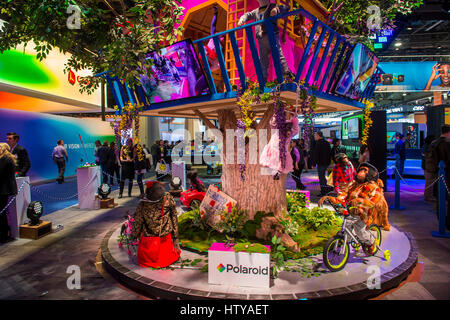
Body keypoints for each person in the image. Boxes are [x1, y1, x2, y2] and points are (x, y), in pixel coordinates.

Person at [318, 162, 388, 252]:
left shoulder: (373, 187)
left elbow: (372, 202)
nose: (361, 172)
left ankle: (371, 242)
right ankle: (345, 240)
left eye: (364, 170)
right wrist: (330, 198)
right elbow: (344, 195)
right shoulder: (354, 184)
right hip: (350, 211)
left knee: (360, 231)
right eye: (361, 169)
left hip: (363, 215)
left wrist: (359, 201)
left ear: (370, 173)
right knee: (346, 228)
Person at [237, 0, 291, 82]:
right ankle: (263, 80)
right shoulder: (256, 11)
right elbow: (248, 15)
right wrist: (242, 18)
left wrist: (276, 10)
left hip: (272, 36)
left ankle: (287, 74)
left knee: (279, 56)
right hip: (261, 39)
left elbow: (286, 8)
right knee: (263, 60)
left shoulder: (272, 6)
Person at [131, 181, 180, 268]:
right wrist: (175, 236)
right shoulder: (167, 198)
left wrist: (134, 235)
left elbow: (138, 222)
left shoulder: (142, 203)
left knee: (146, 258)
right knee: (167, 257)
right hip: (165, 239)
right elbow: (174, 217)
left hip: (149, 243)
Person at [260, 110, 299, 180]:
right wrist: (276, 115)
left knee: (280, 165)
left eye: (289, 129)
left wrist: (295, 118)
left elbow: (295, 129)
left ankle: (277, 173)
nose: (288, 132)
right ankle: (276, 173)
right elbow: (273, 124)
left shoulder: (288, 133)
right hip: (275, 151)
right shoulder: (277, 130)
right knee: (274, 164)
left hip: (281, 153)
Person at [430, 125, 450, 229]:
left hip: (437, 174)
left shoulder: (434, 143)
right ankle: (447, 223)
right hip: (447, 175)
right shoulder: (447, 144)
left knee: (440, 198)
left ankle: (441, 219)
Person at [0, 143, 18, 243]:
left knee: (2, 213)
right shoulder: (6, 158)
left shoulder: (5, 159)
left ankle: (4, 234)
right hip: (4, 189)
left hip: (4, 190)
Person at [313, 131, 332, 196]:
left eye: (315, 135)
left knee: (321, 177)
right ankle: (326, 189)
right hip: (326, 163)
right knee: (323, 177)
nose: (315, 137)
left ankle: (324, 191)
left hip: (320, 163)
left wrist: (315, 163)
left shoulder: (318, 143)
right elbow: (330, 153)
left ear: (318, 135)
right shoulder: (327, 143)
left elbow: (316, 154)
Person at [422, 134, 437, 202]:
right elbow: (425, 155)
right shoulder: (427, 146)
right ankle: (428, 196)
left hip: (427, 166)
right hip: (428, 167)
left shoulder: (426, 145)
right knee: (429, 182)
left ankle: (428, 196)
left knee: (429, 182)